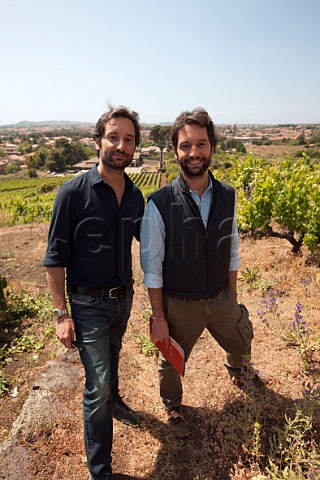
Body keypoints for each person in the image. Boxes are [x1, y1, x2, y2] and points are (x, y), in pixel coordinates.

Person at [140, 107, 255, 439]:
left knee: (243, 338)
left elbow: (231, 247)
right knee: (171, 360)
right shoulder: (160, 203)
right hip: (180, 303)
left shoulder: (228, 195)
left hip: (220, 297)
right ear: (176, 150)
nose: (194, 153)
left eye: (201, 144)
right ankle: (173, 407)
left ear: (212, 147)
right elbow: (152, 269)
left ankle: (236, 367)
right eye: (185, 145)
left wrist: (231, 294)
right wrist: (159, 315)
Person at [44, 105, 144, 480]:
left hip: (124, 298)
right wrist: (61, 314)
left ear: (135, 147)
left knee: (113, 357)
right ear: (98, 141)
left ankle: (115, 402)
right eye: (113, 137)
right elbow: (54, 259)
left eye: (129, 139)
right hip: (86, 304)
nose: (121, 145)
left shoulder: (136, 196)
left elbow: (151, 247)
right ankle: (100, 471)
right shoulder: (72, 193)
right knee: (97, 383)